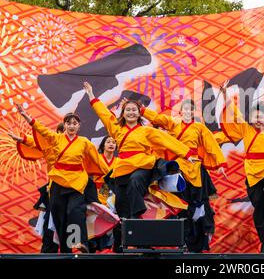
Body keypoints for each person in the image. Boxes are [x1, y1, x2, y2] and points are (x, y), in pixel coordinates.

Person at [83, 82, 196, 251]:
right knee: (121, 206)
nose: (130, 112)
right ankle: (123, 244)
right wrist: (92, 96)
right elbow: (104, 114)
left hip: (143, 166)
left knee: (136, 181)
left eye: (133, 110)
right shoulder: (116, 129)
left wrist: (186, 153)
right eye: (127, 110)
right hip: (122, 169)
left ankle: (137, 216)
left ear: (138, 114)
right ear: (123, 113)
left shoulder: (146, 131)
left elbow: (166, 140)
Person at [15, 104, 109, 253]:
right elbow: (42, 129)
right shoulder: (56, 138)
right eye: (69, 123)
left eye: (75, 123)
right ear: (64, 125)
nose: (71, 126)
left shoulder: (84, 142)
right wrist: (26, 116)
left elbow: (97, 159)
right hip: (58, 181)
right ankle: (66, 249)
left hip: (77, 182)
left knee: (75, 211)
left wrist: (110, 174)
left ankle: (78, 241)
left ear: (79, 126)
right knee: (59, 217)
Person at [141, 99, 227, 252]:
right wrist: (142, 110)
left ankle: (200, 235)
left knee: (199, 202)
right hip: (178, 167)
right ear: (181, 111)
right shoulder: (174, 123)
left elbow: (211, 144)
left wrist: (220, 164)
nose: (188, 111)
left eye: (191, 109)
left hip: (195, 166)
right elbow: (158, 118)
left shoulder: (199, 127)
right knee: (182, 205)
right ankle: (185, 240)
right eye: (185, 109)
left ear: (194, 112)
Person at [218, 80, 264, 253]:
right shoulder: (245, 129)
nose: (259, 118)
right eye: (255, 115)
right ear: (250, 118)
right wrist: (224, 94)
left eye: (262, 115)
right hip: (252, 170)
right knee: (259, 206)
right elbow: (233, 111)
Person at [9, 122, 65, 253]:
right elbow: (36, 143)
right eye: (60, 131)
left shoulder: (78, 146)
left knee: (67, 229)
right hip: (53, 192)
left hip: (70, 192)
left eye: (65, 131)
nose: (62, 134)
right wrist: (22, 139)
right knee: (49, 230)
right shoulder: (49, 147)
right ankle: (48, 253)